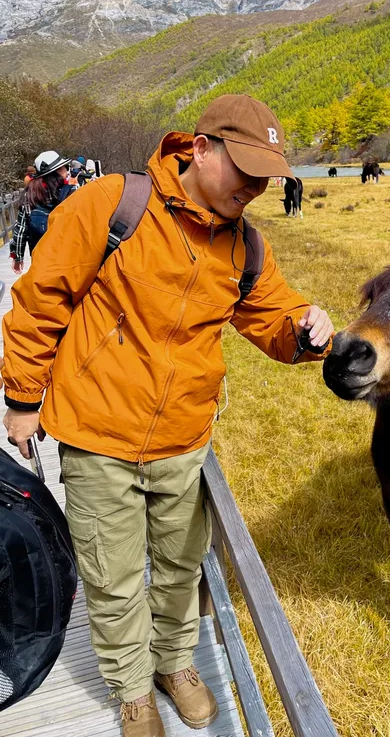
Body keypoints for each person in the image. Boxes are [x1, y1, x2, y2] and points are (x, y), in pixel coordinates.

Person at [2, 94, 334, 737]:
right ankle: (131, 690)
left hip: (184, 438)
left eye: (266, 177)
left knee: (182, 564)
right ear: (200, 148)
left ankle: (175, 664)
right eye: (245, 170)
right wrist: (21, 400)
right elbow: (41, 299)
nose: (256, 188)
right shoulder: (112, 206)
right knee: (113, 573)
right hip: (96, 431)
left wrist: (307, 331)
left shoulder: (244, 247)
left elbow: (274, 319)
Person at [9, 150, 74, 274]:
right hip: (68, 258)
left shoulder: (30, 195)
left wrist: (18, 257)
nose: (67, 170)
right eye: (64, 168)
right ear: (57, 172)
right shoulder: (71, 193)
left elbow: (21, 229)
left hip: (40, 260)